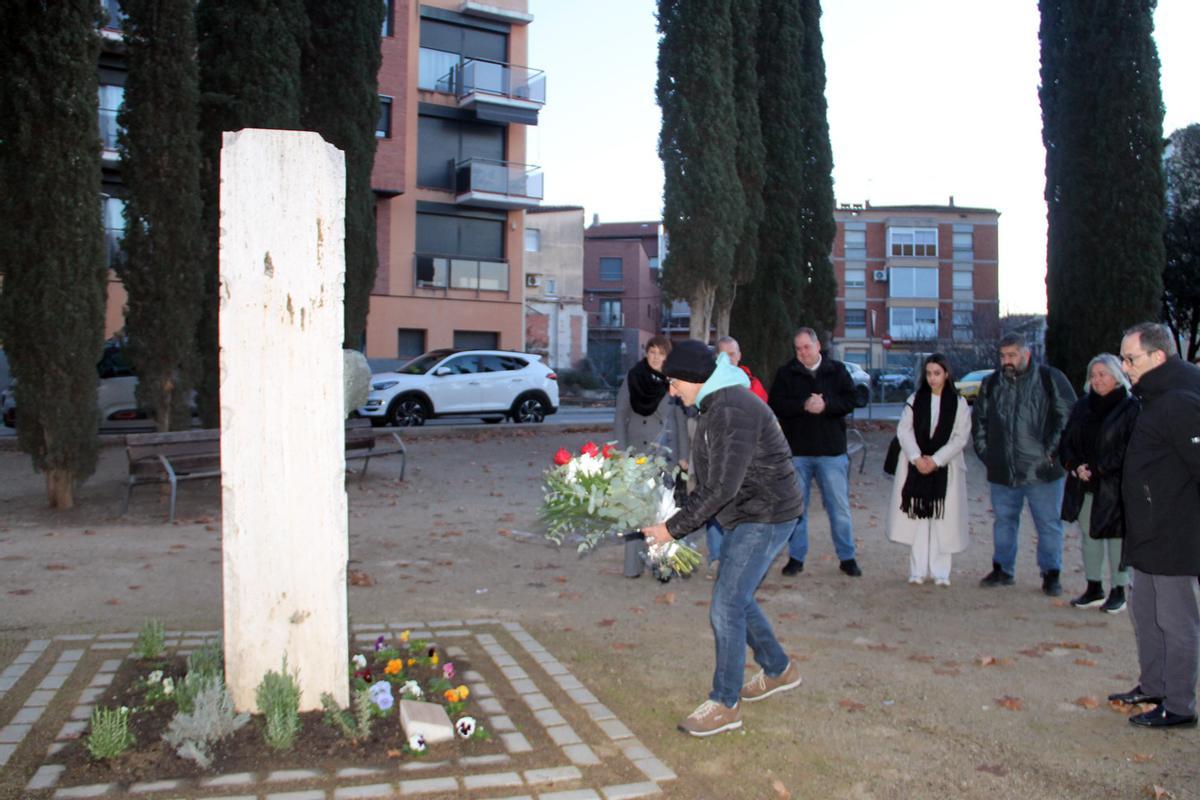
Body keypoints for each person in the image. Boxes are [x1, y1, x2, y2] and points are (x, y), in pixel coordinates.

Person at [642, 340, 805, 737]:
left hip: (765, 514)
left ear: (696, 379)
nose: (671, 389)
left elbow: (721, 489)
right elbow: (714, 481)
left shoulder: (731, 409)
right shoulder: (717, 403)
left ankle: (725, 703)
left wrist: (671, 530)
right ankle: (779, 668)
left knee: (726, 604)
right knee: (738, 596)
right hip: (747, 512)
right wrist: (675, 515)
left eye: (674, 381)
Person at [1108, 322, 1200, 729]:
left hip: (1173, 533)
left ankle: (1179, 704)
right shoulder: (1155, 393)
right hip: (1148, 529)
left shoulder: (1179, 400)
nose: (1124, 367)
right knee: (1145, 611)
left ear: (1157, 358)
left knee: (1175, 620)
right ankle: (1153, 685)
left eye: (1130, 359)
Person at [971, 333, 1076, 594]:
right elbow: (979, 422)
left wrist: (1049, 455)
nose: (1006, 360)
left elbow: (1067, 419)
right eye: (1003, 356)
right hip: (1003, 471)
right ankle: (1002, 569)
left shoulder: (1050, 379)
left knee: (1048, 523)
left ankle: (1051, 573)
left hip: (1042, 471)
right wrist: (988, 454)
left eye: (1012, 355)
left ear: (1026, 354)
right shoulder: (991, 383)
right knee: (1004, 522)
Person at [768, 327, 862, 577]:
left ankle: (847, 557)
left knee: (838, 508)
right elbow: (775, 404)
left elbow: (852, 400)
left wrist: (827, 405)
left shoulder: (838, 371)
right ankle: (796, 557)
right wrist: (803, 405)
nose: (802, 353)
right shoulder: (786, 373)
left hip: (831, 452)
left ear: (817, 345)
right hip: (797, 452)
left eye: (806, 347)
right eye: (798, 349)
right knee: (797, 508)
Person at [1057, 354, 1138, 613]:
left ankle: (1119, 590)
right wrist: (1075, 465)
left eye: (1103, 374)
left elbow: (1131, 447)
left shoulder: (1131, 407)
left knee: (1116, 538)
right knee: (1089, 536)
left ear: (1117, 376)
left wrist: (1103, 468)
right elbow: (1067, 440)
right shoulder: (1082, 406)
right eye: (1093, 375)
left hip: (1115, 487)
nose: (1097, 380)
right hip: (1085, 484)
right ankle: (1094, 587)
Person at [885, 354, 971, 586]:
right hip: (916, 468)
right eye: (929, 373)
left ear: (946, 374)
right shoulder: (915, 399)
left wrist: (936, 460)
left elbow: (960, 437)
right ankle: (917, 570)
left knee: (943, 520)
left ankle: (941, 572)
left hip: (946, 469)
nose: (932, 378)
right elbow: (904, 431)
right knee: (919, 519)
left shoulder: (959, 403)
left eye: (937, 373)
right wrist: (916, 458)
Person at [613, 335, 690, 578]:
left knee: (662, 515)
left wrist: (683, 456)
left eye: (661, 353)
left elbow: (681, 423)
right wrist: (622, 452)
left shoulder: (675, 381)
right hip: (636, 454)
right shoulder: (633, 378)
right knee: (635, 513)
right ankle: (632, 567)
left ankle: (661, 566)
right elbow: (619, 417)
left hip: (665, 456)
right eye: (651, 352)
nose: (655, 357)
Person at [705, 336, 768, 576]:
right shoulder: (710, 384)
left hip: (748, 458)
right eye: (724, 354)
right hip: (718, 456)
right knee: (715, 506)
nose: (730, 358)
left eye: (733, 353)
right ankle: (717, 556)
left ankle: (741, 556)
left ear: (740, 355)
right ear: (717, 358)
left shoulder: (753, 383)